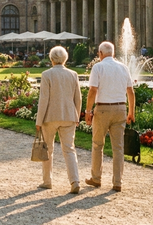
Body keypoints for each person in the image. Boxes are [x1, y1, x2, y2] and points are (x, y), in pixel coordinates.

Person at [84, 41, 136, 192]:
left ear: (100, 54)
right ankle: (117, 182)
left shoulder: (98, 67)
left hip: (103, 108)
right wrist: (131, 111)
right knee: (118, 147)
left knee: (97, 144)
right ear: (113, 53)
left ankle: (96, 178)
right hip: (120, 108)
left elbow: (93, 90)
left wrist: (88, 112)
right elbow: (131, 92)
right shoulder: (123, 67)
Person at [35, 46, 82, 194]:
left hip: (50, 116)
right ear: (65, 58)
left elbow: (44, 99)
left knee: (47, 149)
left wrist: (38, 120)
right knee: (69, 149)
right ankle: (75, 181)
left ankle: (47, 181)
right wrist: (77, 115)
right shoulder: (73, 74)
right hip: (69, 116)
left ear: (51, 59)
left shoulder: (47, 74)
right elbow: (78, 98)